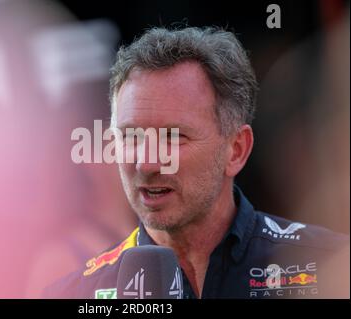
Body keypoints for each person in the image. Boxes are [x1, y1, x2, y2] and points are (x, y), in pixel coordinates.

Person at [43, 26, 349, 299]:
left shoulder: (331, 267)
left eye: (173, 137)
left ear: (236, 150)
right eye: (132, 137)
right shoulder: (74, 294)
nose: (148, 164)